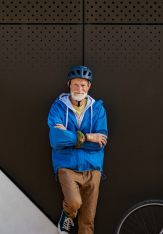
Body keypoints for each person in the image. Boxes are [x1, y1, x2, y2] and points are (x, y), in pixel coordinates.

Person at [48, 65, 108, 234]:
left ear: (89, 86)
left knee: (88, 220)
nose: (79, 88)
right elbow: (56, 140)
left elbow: (101, 141)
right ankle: (68, 214)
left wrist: (69, 136)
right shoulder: (57, 108)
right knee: (74, 203)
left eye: (83, 84)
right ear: (68, 84)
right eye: (75, 84)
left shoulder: (98, 110)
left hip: (92, 167)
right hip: (66, 165)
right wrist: (88, 137)